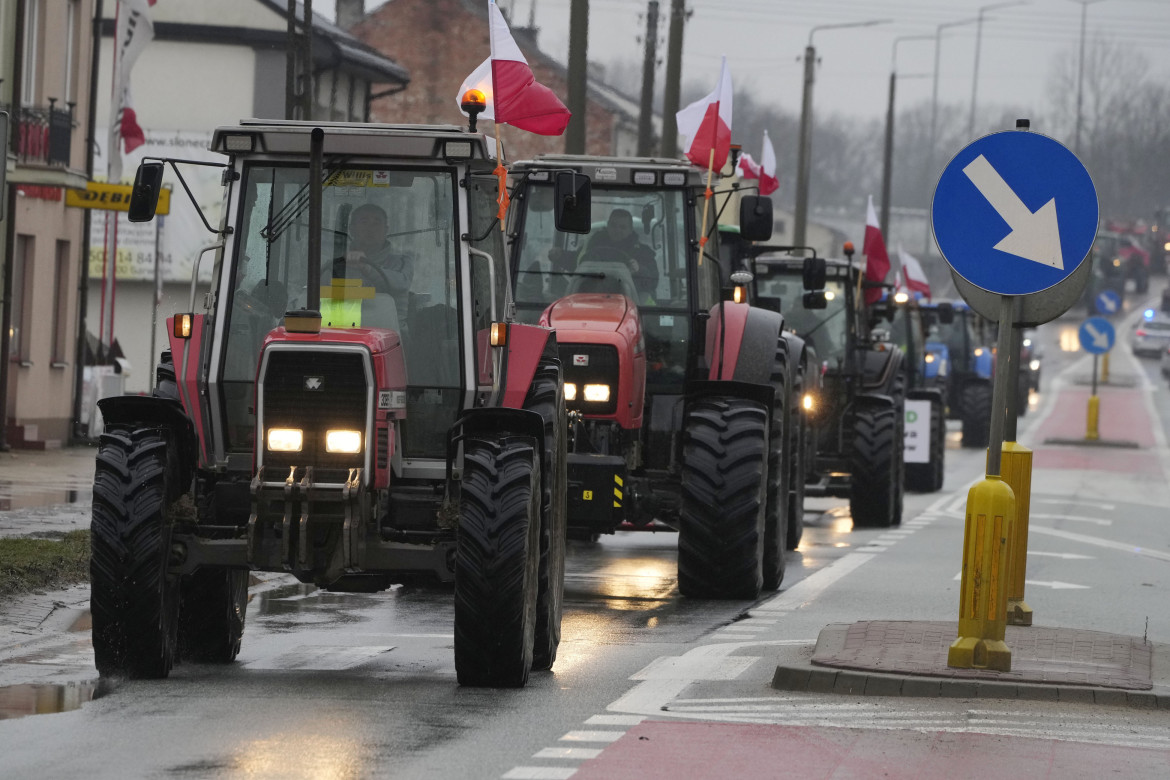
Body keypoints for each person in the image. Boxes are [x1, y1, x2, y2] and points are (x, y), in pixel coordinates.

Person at [551, 208, 659, 302]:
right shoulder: (592, 245)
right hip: (591, 296)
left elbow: (653, 280)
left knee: (645, 299)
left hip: (628, 301)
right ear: (608, 226)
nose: (617, 230)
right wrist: (560, 256)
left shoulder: (643, 252)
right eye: (613, 225)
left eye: (622, 227)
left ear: (630, 230)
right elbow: (577, 262)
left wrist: (639, 269)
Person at [331, 203, 413, 320]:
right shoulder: (336, 265)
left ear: (386, 230)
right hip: (343, 329)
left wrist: (366, 267)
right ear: (351, 229)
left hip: (393, 332)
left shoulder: (401, 262)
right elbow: (317, 290)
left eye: (377, 223)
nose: (370, 228)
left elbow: (401, 284)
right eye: (364, 222)